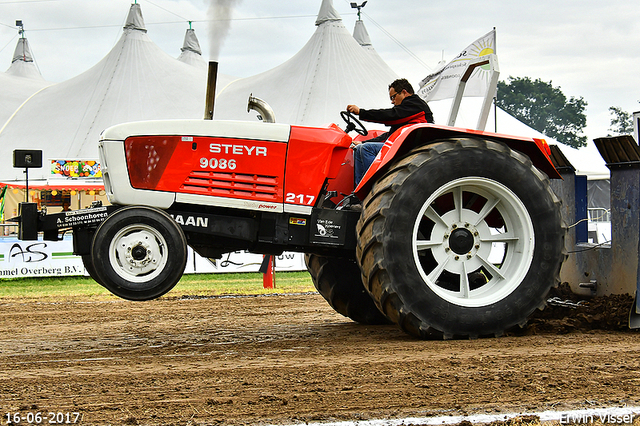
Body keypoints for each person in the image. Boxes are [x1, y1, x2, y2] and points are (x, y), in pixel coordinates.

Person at [347, 78, 434, 186]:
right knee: (359, 148)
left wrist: (362, 112)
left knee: (366, 149)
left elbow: (390, 115)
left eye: (393, 97)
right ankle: (357, 193)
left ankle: (373, 187)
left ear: (404, 92)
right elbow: (389, 136)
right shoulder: (406, 113)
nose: (392, 101)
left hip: (412, 146)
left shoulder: (415, 104)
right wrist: (363, 142)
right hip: (402, 145)